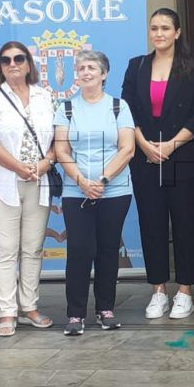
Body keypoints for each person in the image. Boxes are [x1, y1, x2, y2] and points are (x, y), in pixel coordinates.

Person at [122, 8, 194, 320]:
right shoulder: (137, 66)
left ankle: (185, 291)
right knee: (152, 223)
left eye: (165, 28)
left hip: (182, 156)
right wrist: (144, 143)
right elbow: (126, 110)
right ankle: (158, 290)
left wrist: (172, 144)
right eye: (154, 28)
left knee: (185, 223)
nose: (159, 33)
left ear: (177, 32)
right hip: (146, 158)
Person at [0, 41, 57, 337]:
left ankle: (29, 306)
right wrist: (18, 167)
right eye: (6, 60)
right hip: (2, 182)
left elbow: (58, 138)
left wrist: (46, 163)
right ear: (0, 66)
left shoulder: (45, 97)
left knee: (33, 247)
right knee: (7, 248)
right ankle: (7, 311)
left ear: (28, 63)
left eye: (19, 58)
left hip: (39, 179)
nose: (13, 64)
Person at [54, 51, 136, 335]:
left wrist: (101, 179)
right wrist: (81, 180)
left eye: (92, 67)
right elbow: (61, 150)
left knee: (107, 249)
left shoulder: (118, 106)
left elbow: (127, 148)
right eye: (81, 68)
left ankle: (105, 309)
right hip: (76, 190)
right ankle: (75, 314)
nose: (85, 72)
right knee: (78, 249)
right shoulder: (65, 107)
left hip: (114, 190)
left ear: (104, 74)